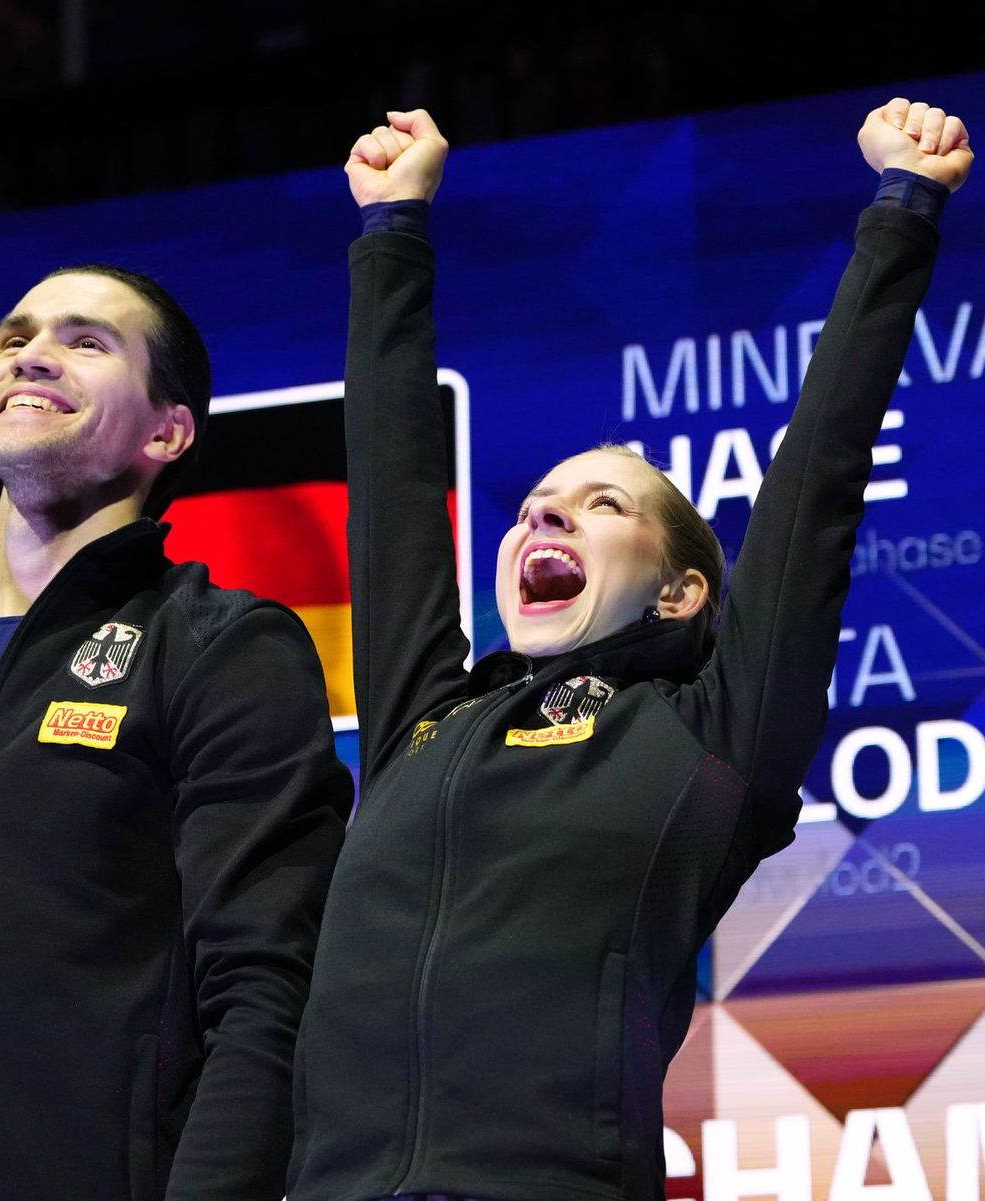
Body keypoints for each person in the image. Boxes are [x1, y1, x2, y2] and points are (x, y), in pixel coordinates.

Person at [286, 100, 973, 1201]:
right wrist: (392, 223)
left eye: (602, 504)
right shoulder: (426, 719)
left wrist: (903, 208)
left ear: (680, 590)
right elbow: (395, 487)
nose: (543, 516)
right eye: (535, 505)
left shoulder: (712, 735)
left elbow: (820, 478)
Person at [0, 263, 353, 1199]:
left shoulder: (220, 647)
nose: (32, 356)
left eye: (86, 342)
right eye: (15, 338)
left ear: (167, 432)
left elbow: (266, 993)